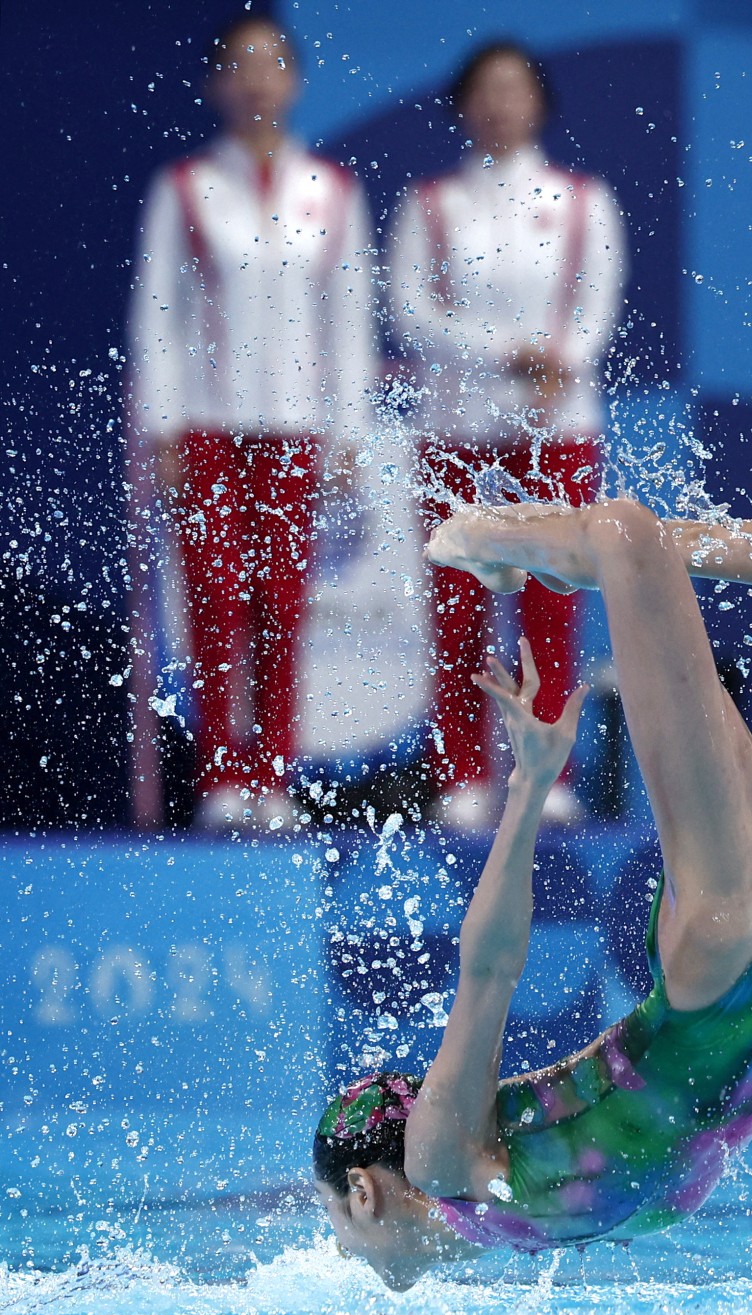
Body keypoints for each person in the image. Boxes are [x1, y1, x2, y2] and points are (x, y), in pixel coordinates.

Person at [312, 497, 752, 1290]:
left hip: (736, 946)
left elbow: (488, 971)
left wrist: (527, 794)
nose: (344, 1250)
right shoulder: (507, 1196)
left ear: (363, 1193)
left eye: (336, 1227)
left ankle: (522, 544)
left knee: (625, 538)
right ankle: (635, 557)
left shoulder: (441, 1162)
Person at [127, 14, 377, 830]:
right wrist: (163, 428)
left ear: (297, 82)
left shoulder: (333, 193)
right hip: (206, 423)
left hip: (298, 427)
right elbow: (158, 312)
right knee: (213, 595)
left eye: (273, 65)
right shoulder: (187, 188)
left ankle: (273, 774)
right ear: (216, 86)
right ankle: (221, 777)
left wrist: (348, 431)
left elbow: (349, 320)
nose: (258, 81)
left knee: (282, 595)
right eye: (241, 66)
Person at [389, 43, 627, 826]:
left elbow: (596, 308)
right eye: (485, 91)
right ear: (462, 105)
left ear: (540, 104)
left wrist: (562, 361)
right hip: (455, 426)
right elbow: (411, 312)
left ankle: (545, 776)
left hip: (556, 428)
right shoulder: (429, 204)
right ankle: (459, 772)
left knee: (552, 607)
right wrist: (504, 355)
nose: (499, 104)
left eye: (514, 89)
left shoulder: (584, 201)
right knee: (456, 605)